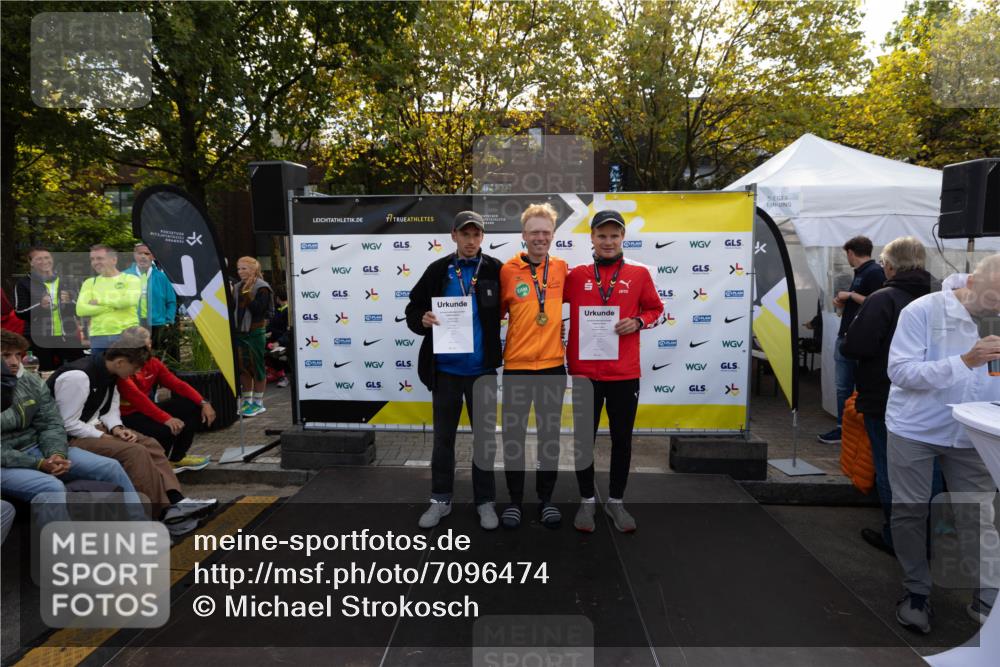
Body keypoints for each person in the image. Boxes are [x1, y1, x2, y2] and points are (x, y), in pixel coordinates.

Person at [886, 254, 1000, 634]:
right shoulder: (923, 311)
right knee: (911, 511)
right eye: (995, 300)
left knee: (977, 513)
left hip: (973, 433)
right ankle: (916, 592)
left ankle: (987, 596)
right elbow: (899, 371)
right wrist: (964, 360)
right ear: (972, 283)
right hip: (915, 428)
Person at [48, 335, 216, 536]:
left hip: (92, 429)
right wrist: (102, 436)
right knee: (135, 452)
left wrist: (118, 428)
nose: (136, 372)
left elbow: (109, 409)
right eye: (135, 367)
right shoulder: (79, 376)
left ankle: (176, 500)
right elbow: (66, 423)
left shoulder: (111, 373)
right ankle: (159, 511)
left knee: (151, 444)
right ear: (120, 362)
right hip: (66, 439)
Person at [564, 210, 663, 533]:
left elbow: (656, 309)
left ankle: (616, 501)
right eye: (602, 235)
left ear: (623, 238)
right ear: (591, 238)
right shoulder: (575, 275)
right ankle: (586, 501)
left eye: (614, 236)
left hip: (623, 374)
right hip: (583, 372)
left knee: (622, 440)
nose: (608, 242)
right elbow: (547, 303)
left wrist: (638, 322)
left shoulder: (639, 274)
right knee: (583, 440)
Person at [406, 211, 503, 530]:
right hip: (445, 370)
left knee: (484, 440)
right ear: (454, 236)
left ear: (482, 238)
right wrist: (422, 319)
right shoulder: (438, 270)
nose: (471, 241)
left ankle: (485, 501)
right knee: (443, 440)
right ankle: (440, 499)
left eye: (476, 235)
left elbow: (516, 306)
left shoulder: (495, 269)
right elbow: (413, 307)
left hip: (482, 370)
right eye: (465, 234)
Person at [841, 237, 934, 557]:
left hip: (886, 396)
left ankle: (898, 538)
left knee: (890, 468)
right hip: (932, 401)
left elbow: (856, 346)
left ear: (891, 265)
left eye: (884, 263)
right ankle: (926, 538)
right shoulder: (942, 297)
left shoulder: (883, 299)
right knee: (928, 474)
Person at [1, 331, 140, 518]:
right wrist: (39, 463)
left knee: (111, 467)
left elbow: (51, 423)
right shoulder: (80, 374)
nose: (14, 361)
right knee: (51, 488)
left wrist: (56, 454)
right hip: (6, 463)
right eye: (6, 355)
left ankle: (140, 525)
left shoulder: (29, 380)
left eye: (18, 354)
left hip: (36, 448)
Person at [499, 202, 569, 529]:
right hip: (517, 366)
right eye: (534, 232)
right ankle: (514, 500)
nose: (540, 237)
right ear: (524, 235)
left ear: (553, 234)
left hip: (553, 366)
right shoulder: (507, 270)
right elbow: (490, 315)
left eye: (546, 232)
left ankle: (546, 499)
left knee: (549, 438)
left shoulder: (562, 269)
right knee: (513, 437)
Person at [116, 326, 214, 472]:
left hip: (147, 409)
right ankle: (160, 465)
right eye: (148, 341)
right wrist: (167, 419)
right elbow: (139, 399)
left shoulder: (153, 362)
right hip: (126, 417)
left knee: (192, 406)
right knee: (166, 429)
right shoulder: (122, 368)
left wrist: (203, 402)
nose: (151, 344)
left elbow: (177, 384)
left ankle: (176, 459)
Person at [819, 236, 885, 444]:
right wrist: (843, 302)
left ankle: (848, 429)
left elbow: (877, 301)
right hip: (848, 336)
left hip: (857, 339)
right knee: (843, 387)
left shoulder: (874, 272)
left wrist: (850, 296)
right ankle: (844, 427)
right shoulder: (863, 273)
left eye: (845, 253)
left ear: (850, 252)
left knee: (849, 386)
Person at [13, 246, 83, 370]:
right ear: (31, 262)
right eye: (39, 259)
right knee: (45, 374)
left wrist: (70, 302)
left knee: (77, 371)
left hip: (67, 336)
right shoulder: (23, 283)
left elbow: (80, 310)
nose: (44, 261)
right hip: (39, 339)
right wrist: (40, 306)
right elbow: (19, 312)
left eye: (47, 257)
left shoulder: (67, 281)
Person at [76, 244, 141, 355]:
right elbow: (81, 310)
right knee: (100, 371)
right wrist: (113, 306)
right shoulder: (89, 282)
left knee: (127, 371)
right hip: (98, 336)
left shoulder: (131, 279)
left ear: (113, 260)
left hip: (126, 334)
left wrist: (99, 301)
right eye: (92, 259)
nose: (95, 262)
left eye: (100, 258)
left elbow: (129, 301)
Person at [232, 257, 274, 417]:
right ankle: (247, 401)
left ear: (253, 269)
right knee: (243, 367)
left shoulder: (262, 287)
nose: (240, 271)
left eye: (244, 268)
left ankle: (258, 403)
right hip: (239, 332)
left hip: (255, 332)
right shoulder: (236, 287)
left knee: (256, 367)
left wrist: (248, 295)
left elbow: (258, 310)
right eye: (238, 269)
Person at [124, 243, 177, 357]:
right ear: (134, 255)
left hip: (157, 323)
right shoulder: (125, 276)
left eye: (147, 253)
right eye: (140, 253)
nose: (143, 256)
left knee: (155, 355)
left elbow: (171, 301)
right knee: (135, 355)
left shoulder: (161, 277)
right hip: (133, 323)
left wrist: (168, 320)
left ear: (153, 256)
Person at [266, 286, 290, 388]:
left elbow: (287, 331)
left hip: (283, 340)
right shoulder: (278, 310)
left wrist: (275, 337)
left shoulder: (288, 311)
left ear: (278, 298)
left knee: (273, 351)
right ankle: (274, 373)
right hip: (275, 339)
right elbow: (271, 326)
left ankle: (282, 376)